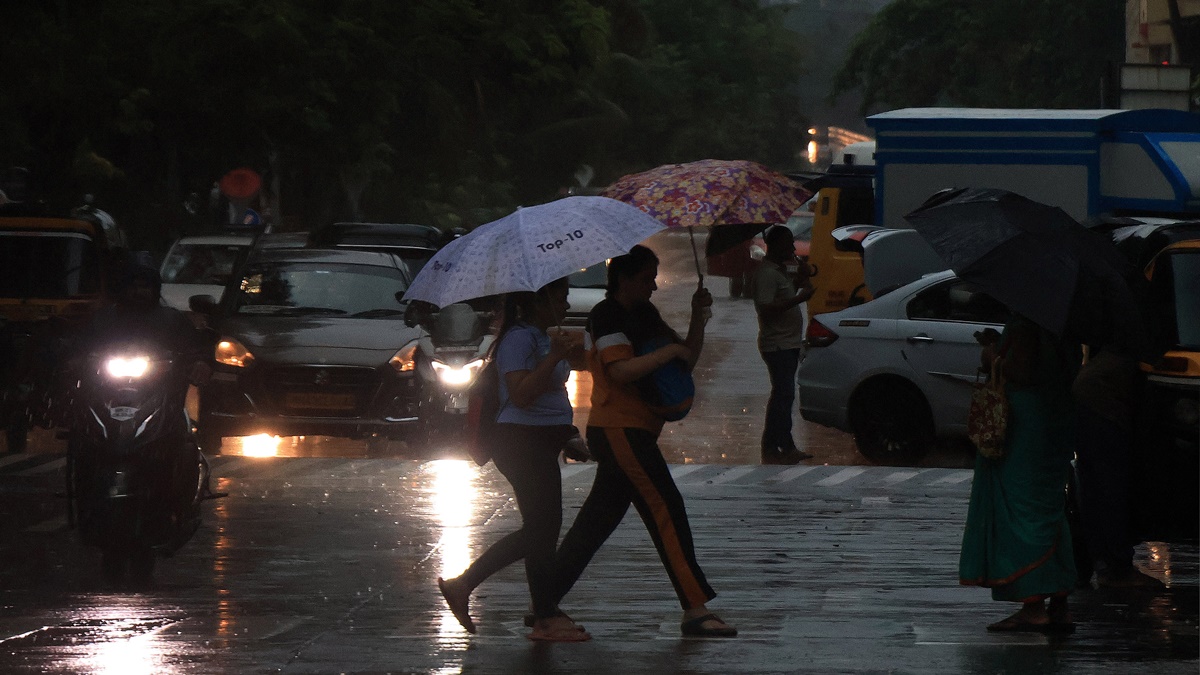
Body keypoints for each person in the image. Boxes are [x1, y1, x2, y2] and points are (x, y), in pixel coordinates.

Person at [548, 245, 737, 638]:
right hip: (619, 431)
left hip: (638, 430)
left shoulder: (645, 315)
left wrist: (698, 319)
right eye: (648, 277)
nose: (653, 284)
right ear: (625, 279)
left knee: (594, 525)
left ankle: (542, 601)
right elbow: (621, 371)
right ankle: (695, 608)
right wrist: (670, 350)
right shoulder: (607, 316)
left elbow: (683, 361)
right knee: (665, 507)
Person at [437, 278, 591, 642]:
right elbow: (520, 395)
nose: (566, 306)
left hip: (541, 441)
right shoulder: (519, 339)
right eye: (560, 298)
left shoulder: (538, 336)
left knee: (542, 530)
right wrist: (554, 355)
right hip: (519, 442)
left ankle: (543, 613)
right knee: (541, 530)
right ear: (537, 302)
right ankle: (474, 588)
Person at [959, 313, 1079, 632]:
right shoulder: (1066, 325)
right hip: (1056, 417)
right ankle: (1059, 603)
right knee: (1050, 509)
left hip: (1026, 425)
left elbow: (1023, 372)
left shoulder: (1028, 321)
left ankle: (1034, 605)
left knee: (1023, 511)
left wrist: (991, 356)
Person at [752, 225, 816, 465]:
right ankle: (772, 446)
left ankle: (784, 445)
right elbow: (766, 309)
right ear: (776, 244)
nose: (791, 248)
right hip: (777, 345)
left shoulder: (778, 271)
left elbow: (783, 297)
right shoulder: (767, 274)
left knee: (783, 396)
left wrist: (800, 281)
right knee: (783, 395)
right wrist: (799, 298)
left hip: (787, 343)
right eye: (788, 243)